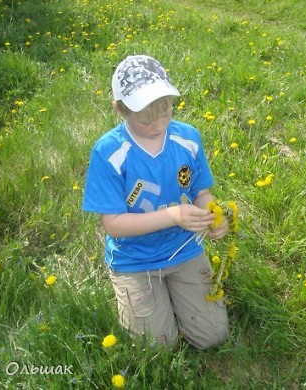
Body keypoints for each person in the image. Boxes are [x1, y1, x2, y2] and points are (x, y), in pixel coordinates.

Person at [82, 55, 229, 350]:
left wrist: (212, 215)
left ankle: (176, 302)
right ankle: (146, 300)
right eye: (145, 119)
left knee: (213, 336)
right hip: (134, 260)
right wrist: (174, 216)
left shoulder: (187, 138)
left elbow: (201, 192)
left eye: (165, 113)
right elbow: (115, 225)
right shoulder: (109, 152)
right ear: (119, 110)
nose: (158, 125)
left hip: (183, 249)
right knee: (158, 346)